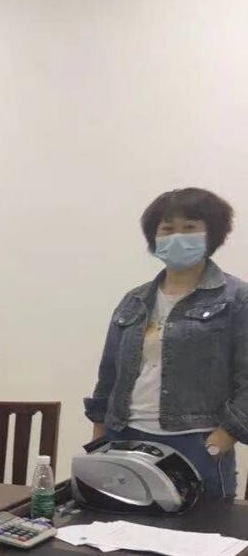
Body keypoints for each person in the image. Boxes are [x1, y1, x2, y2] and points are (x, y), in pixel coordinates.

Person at [86, 188, 248, 500]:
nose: (177, 237)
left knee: (201, 528)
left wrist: (222, 439)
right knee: (121, 524)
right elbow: (108, 376)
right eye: (167, 229)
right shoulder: (134, 300)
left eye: (190, 227)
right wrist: (99, 439)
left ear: (211, 234)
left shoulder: (237, 299)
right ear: (154, 237)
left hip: (195, 441)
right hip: (124, 436)